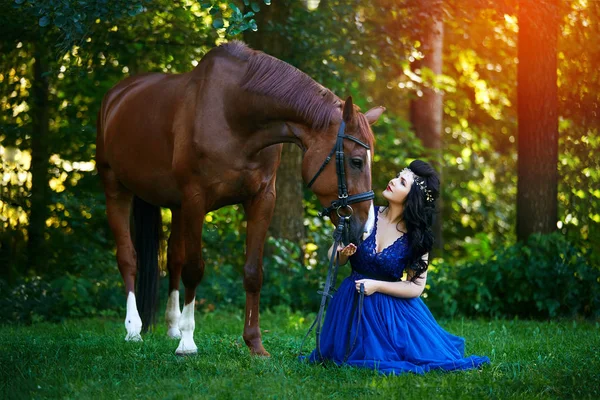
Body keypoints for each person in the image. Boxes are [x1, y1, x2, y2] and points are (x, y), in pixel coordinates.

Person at [305, 160, 490, 375]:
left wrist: (377, 286)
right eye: (397, 176)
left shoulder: (417, 237)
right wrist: (341, 253)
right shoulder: (365, 215)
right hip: (351, 302)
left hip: (389, 309)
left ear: (412, 198)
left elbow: (415, 287)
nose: (393, 181)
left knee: (397, 357)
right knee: (342, 356)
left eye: (402, 182)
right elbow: (333, 257)